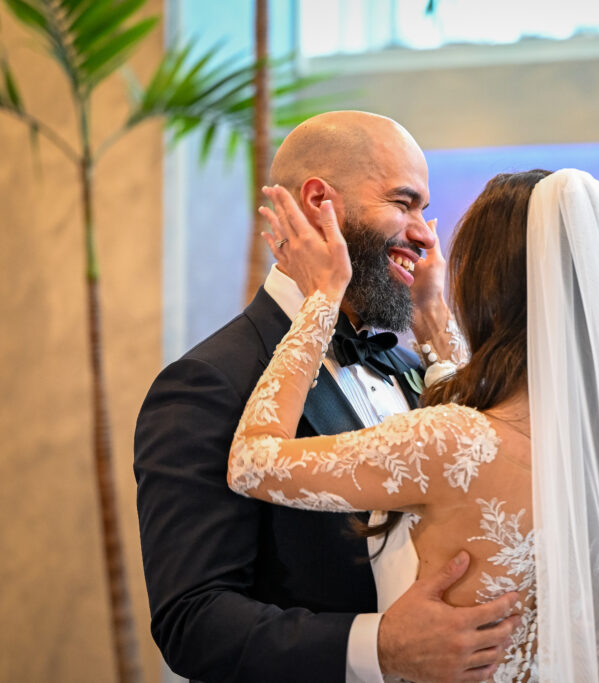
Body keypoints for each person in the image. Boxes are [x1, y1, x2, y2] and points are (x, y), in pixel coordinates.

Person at [228, 168, 599, 681]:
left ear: (485, 287)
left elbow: (252, 462)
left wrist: (322, 296)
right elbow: (489, 415)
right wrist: (432, 315)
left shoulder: (450, 441)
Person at [134, 111, 520, 683]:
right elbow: (194, 622)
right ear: (320, 203)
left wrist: (437, 324)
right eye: (404, 203)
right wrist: (379, 646)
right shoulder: (209, 382)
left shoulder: (415, 365)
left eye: (425, 210)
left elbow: (485, 469)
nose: (424, 234)